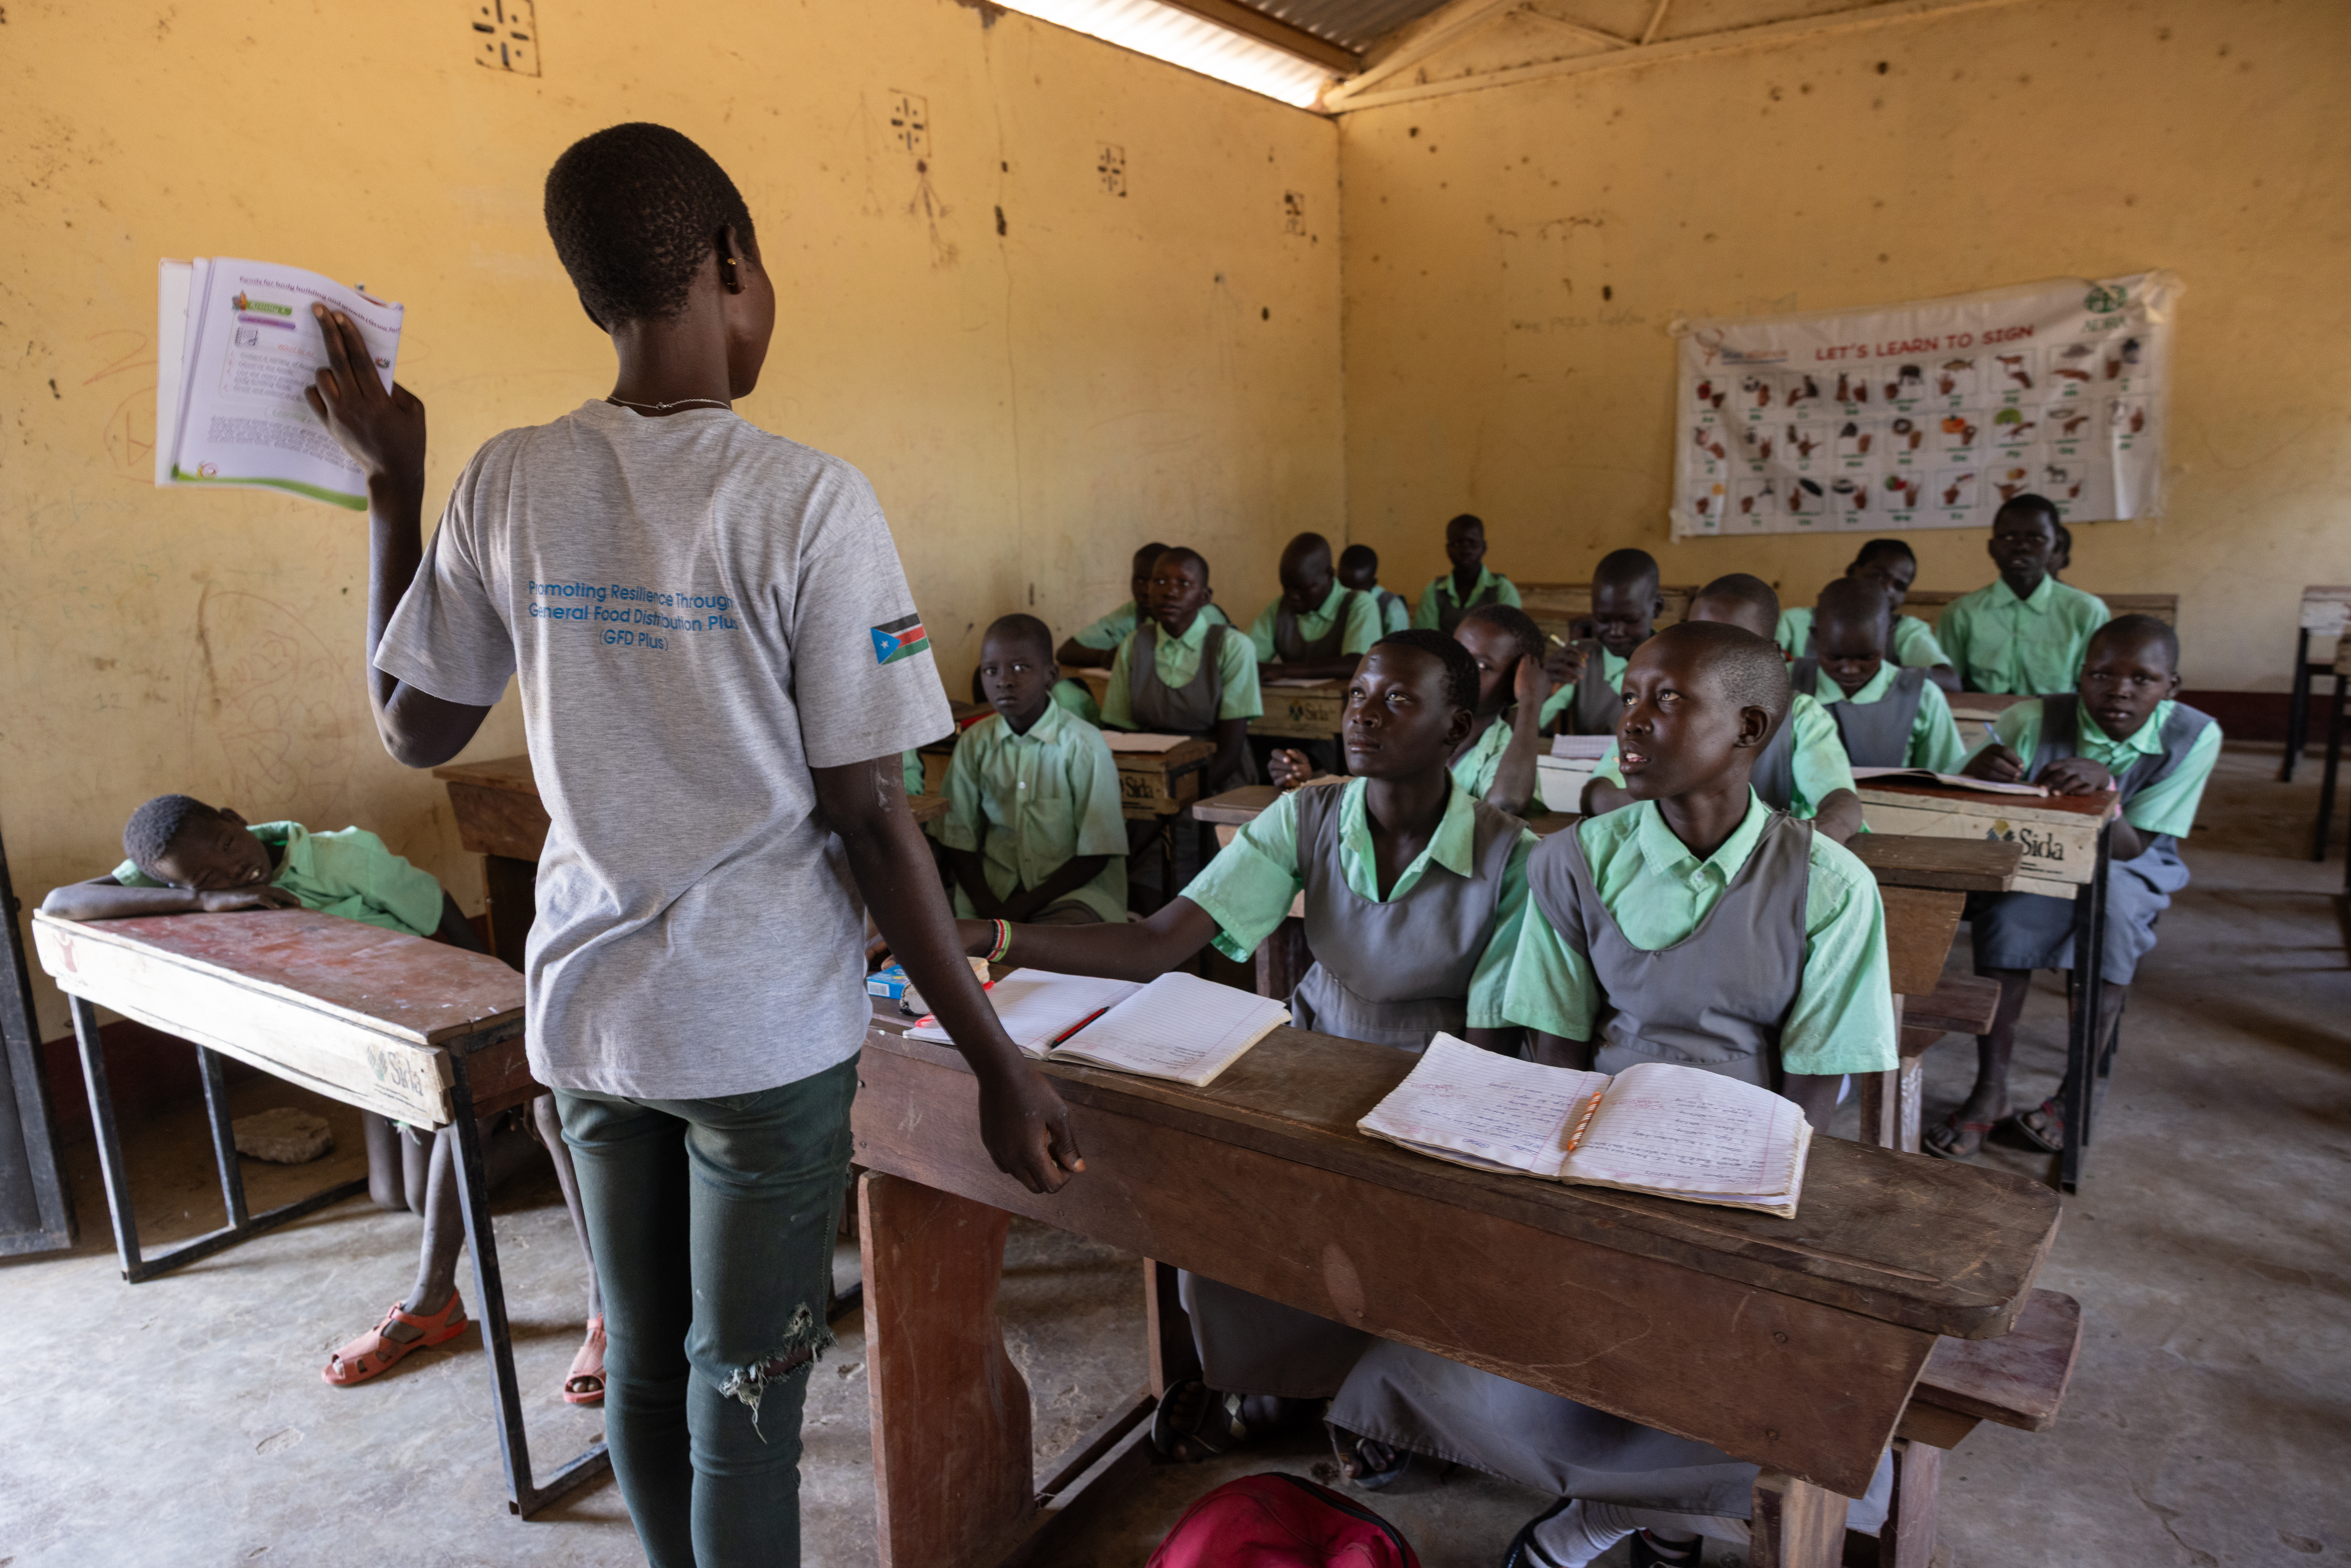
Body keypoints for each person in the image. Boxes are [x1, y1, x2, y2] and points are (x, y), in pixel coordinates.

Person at [303, 121, 1081, 1566]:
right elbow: (868, 811)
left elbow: (412, 727)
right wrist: (994, 1056)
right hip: (759, 1036)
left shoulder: (507, 479)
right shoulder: (805, 498)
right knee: (746, 1389)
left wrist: (392, 486)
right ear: (732, 264)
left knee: (650, 1376)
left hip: (591, 1023)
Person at [1322, 620, 1898, 1564]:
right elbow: (1553, 1053)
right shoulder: (1574, 859)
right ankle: (1627, 1510)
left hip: (1745, 1166)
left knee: (1742, 1367)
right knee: (1470, 1340)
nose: (1628, 721)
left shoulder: (1828, 885)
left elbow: (1809, 1114)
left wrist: (1731, 1210)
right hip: (1596, 1140)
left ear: (1749, 727)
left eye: (1665, 701)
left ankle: (1623, 1517)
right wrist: (1566, 1181)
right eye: (1628, 696)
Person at [946, 630, 1536, 1469]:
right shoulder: (1310, 814)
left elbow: (1495, 1045)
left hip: (1437, 1080)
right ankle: (1271, 1383)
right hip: (1310, 1058)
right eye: (1359, 695)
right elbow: (1157, 942)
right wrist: (985, 935)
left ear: (1457, 732)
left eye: (1397, 700)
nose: (1363, 716)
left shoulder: (1514, 858)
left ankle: (1393, 1407)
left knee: (1419, 1226)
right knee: (1223, 1193)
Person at [42, 795, 607, 1400]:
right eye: (207, 875)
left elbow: (435, 904)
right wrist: (201, 899)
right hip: (376, 1037)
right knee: (400, 1195)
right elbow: (61, 904)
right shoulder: (184, 873)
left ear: (237, 820)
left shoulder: (341, 856)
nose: (236, 873)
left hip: (438, 1012)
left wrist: (495, 1008)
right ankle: (513, 1132)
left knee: (487, 1105)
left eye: (231, 848)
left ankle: (453, 1294)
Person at [1924, 615, 2219, 1161]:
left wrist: (2104, 788)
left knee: (2112, 919)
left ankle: (2074, 1089)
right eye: (2102, 674)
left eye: (2142, 679)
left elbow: (2133, 847)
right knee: (2006, 918)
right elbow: (1968, 802)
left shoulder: (2194, 734)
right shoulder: (2033, 716)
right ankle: (1991, 1086)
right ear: (2080, 674)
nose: (2119, 690)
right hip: (2043, 854)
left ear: (2170, 687)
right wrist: (1981, 770)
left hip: (2132, 859)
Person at [1582, 575, 1866, 845]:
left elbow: (1841, 803)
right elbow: (1599, 792)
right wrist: (1678, 810)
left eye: (1729, 644)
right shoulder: (1654, 717)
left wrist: (1801, 844)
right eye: (1690, 639)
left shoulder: (1800, 716)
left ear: (1772, 654)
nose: (1704, 654)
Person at [933, 614, 1128, 926]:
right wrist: (990, 909)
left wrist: (1018, 912)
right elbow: (958, 840)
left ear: (1050, 676)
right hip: (993, 895)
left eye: (1021, 668)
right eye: (991, 670)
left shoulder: (1082, 744)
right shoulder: (974, 744)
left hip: (1069, 897)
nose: (1004, 680)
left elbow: (1096, 854)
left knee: (1064, 946)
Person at [1101, 546, 1262, 793]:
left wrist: (1171, 803)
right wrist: (1148, 798)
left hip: (1216, 778)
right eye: (1161, 582)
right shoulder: (1134, 645)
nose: (1170, 592)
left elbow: (1230, 754)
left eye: (1184, 583)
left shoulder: (1233, 648)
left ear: (1205, 597)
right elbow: (1122, 735)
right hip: (1148, 781)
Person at [1933, 495, 2109, 694]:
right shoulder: (1961, 613)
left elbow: (2094, 687)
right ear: (1991, 548)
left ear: (2056, 548)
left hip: (2058, 721)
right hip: (1980, 720)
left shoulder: (2086, 610)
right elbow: (1948, 686)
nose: (2021, 547)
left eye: (2036, 539)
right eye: (2008, 538)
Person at [1788, 578, 1968, 772]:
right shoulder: (1784, 682)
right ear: (1816, 637)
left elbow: (1947, 776)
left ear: (1888, 636)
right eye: (1835, 657)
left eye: (1867, 657)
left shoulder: (1924, 698)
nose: (1850, 670)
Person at [1774, 537, 1959, 693]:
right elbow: (1763, 673)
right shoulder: (1794, 622)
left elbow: (1949, 680)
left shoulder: (1906, 629)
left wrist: (1878, 675)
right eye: (1878, 576)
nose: (1887, 589)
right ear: (1852, 571)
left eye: (1900, 587)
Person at [1540, 548, 1661, 736]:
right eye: (1603, 620)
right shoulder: (1579, 660)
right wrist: (1542, 689)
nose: (1615, 632)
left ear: (1656, 609)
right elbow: (1533, 724)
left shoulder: (1673, 662)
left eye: (1630, 620)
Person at [1058, 539, 1227, 669]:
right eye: (1140, 580)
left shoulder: (1206, 617)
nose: (1147, 591)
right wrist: (1106, 657)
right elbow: (1066, 652)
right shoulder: (1131, 614)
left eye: (1159, 581)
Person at [1449, 603, 1551, 816]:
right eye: (1456, 654)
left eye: (1482, 666)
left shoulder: (1505, 754)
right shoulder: (1417, 726)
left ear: (1515, 683)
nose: (1460, 671)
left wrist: (1530, 702)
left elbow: (1506, 804)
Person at [1250, 532, 1385, 683]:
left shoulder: (1359, 604)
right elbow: (1246, 658)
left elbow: (1357, 664)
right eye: (1287, 587)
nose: (1293, 596)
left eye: (1304, 588)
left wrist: (1282, 670)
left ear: (1329, 575)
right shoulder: (1279, 609)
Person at [1411, 513, 1522, 634]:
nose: (1466, 550)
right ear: (1448, 550)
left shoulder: (1503, 589)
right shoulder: (1433, 591)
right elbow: (1425, 640)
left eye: (1472, 543)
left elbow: (1509, 641)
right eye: (1458, 544)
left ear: (1484, 547)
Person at [1339, 542, 1410, 636]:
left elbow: (1399, 649)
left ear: (1373, 583)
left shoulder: (1393, 609)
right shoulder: (1331, 599)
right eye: (1344, 585)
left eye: (1358, 590)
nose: (1349, 593)